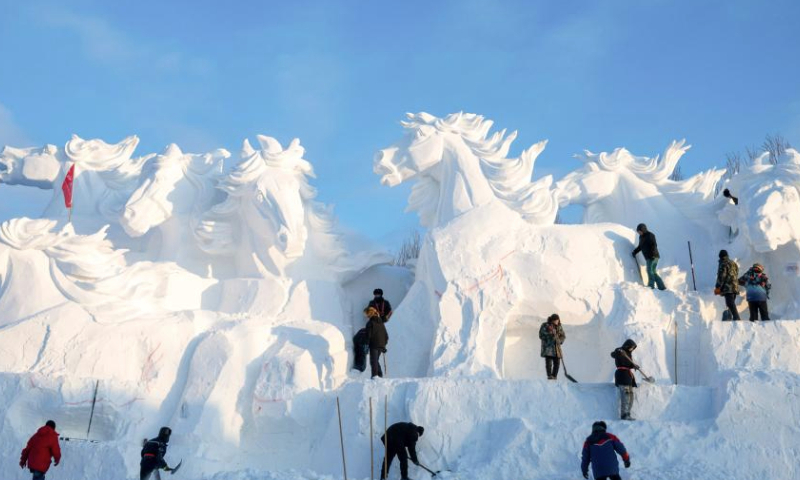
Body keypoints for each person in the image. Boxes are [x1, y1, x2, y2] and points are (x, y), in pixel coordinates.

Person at [610, 339, 640, 420]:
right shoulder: (620, 350)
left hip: (628, 377)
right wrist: (619, 352)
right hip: (622, 376)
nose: (631, 349)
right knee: (626, 396)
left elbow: (629, 364)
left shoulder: (628, 354)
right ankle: (624, 415)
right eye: (631, 347)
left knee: (631, 396)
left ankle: (628, 414)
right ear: (627, 345)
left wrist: (634, 366)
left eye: (633, 348)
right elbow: (613, 354)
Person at [631, 223, 666, 291]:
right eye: (638, 232)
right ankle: (662, 287)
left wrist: (653, 254)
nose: (639, 233)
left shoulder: (650, 235)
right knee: (653, 271)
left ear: (643, 229)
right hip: (648, 257)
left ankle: (651, 286)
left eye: (640, 231)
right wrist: (635, 252)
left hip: (653, 256)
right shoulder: (641, 237)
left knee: (650, 271)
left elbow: (654, 245)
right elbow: (640, 247)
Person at [714, 250, 741, 321]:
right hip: (735, 286)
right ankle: (730, 317)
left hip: (728, 287)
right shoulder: (733, 263)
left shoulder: (723, 263)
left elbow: (721, 276)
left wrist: (717, 287)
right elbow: (737, 272)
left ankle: (736, 318)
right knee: (731, 303)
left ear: (720, 256)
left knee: (729, 302)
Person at [539, 313, 566, 380]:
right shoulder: (545, 325)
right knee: (549, 363)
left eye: (558, 320)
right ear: (552, 320)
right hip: (548, 347)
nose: (557, 321)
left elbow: (563, 336)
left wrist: (559, 340)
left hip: (557, 348)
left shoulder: (559, 327)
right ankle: (549, 376)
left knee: (557, 363)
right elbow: (541, 335)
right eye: (556, 320)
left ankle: (554, 376)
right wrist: (550, 335)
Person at [365, 306, 388, 378]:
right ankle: (379, 375)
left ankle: (375, 376)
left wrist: (366, 344)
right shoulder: (381, 322)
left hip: (374, 344)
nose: (366, 317)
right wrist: (384, 345)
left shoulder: (370, 323)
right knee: (376, 360)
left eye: (366, 315)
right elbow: (385, 335)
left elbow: (368, 335)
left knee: (373, 361)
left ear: (369, 314)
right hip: (381, 345)